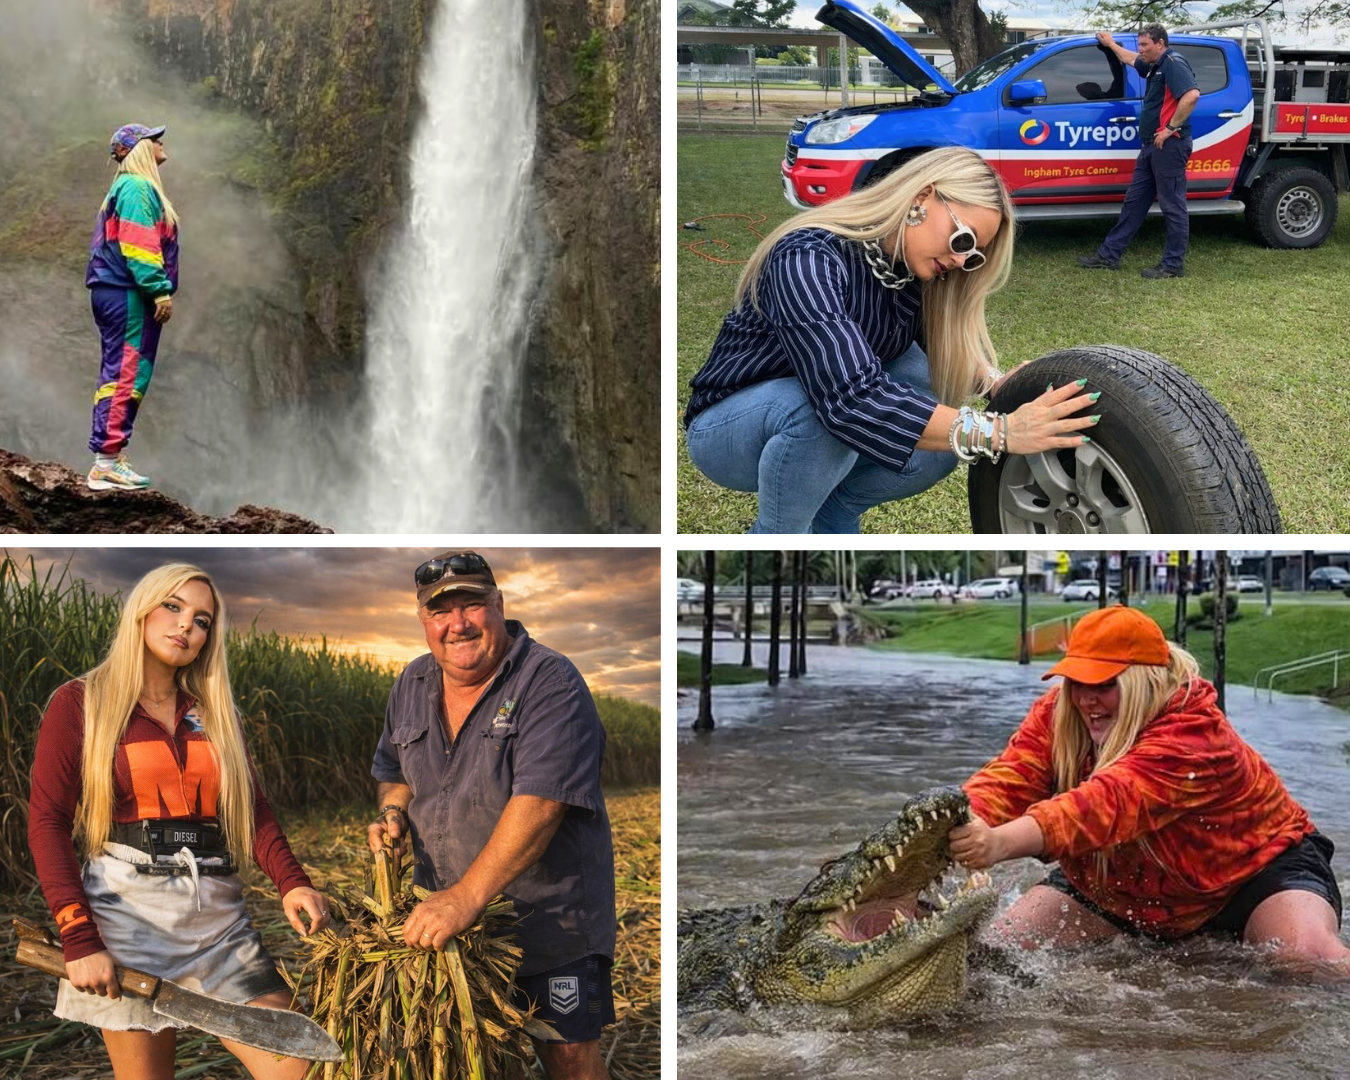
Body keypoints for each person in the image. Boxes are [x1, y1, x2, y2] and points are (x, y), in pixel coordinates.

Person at [683, 146, 1102, 534]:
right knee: (822, 414)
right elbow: (850, 398)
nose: (960, 261)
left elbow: (947, 353)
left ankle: (836, 510)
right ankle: (777, 539)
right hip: (729, 425)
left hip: (821, 408)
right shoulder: (807, 258)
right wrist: (1000, 431)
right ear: (922, 197)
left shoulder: (911, 267)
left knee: (936, 411)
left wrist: (997, 383)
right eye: (963, 240)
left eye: (972, 256)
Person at [27, 564, 331, 1080]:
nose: (187, 625)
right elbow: (47, 822)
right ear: (143, 610)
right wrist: (78, 934)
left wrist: (293, 882)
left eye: (203, 620)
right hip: (129, 924)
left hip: (218, 925)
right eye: (173, 607)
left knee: (300, 1066)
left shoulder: (216, 713)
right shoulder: (81, 702)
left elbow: (252, 811)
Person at [950, 605, 1348, 964]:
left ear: (1141, 681)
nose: (1087, 700)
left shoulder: (1195, 734)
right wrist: (959, 825)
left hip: (1252, 879)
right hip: (1124, 886)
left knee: (1308, 958)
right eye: (1077, 682)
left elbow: (1104, 804)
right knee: (993, 952)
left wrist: (999, 844)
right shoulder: (1058, 713)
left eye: (1104, 684)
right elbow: (1010, 777)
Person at [369, 551, 616, 1080]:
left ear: (499, 605)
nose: (457, 624)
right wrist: (393, 813)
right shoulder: (411, 684)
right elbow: (393, 768)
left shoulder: (550, 681)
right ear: (423, 620)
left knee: (568, 1056)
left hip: (548, 921)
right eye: (440, 611)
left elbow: (542, 803)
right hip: (445, 921)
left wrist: (466, 897)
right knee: (470, 1054)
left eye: (472, 605)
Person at [85, 123, 180, 492]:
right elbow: (140, 246)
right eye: (153, 139)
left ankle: (110, 456)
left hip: (116, 290)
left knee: (121, 369)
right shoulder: (138, 187)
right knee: (126, 372)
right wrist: (159, 291)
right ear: (139, 149)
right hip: (128, 292)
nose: (160, 142)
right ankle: (107, 462)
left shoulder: (124, 188)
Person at [1078, 26, 1200, 279]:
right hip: (1151, 147)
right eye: (1140, 45)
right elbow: (1129, 58)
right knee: (1134, 203)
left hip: (1170, 146)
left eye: (1144, 45)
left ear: (1160, 43)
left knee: (1172, 207)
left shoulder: (1173, 64)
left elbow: (1191, 95)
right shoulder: (1154, 64)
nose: (1140, 50)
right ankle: (1109, 255)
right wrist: (1111, 44)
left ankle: (1173, 265)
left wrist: (1169, 128)